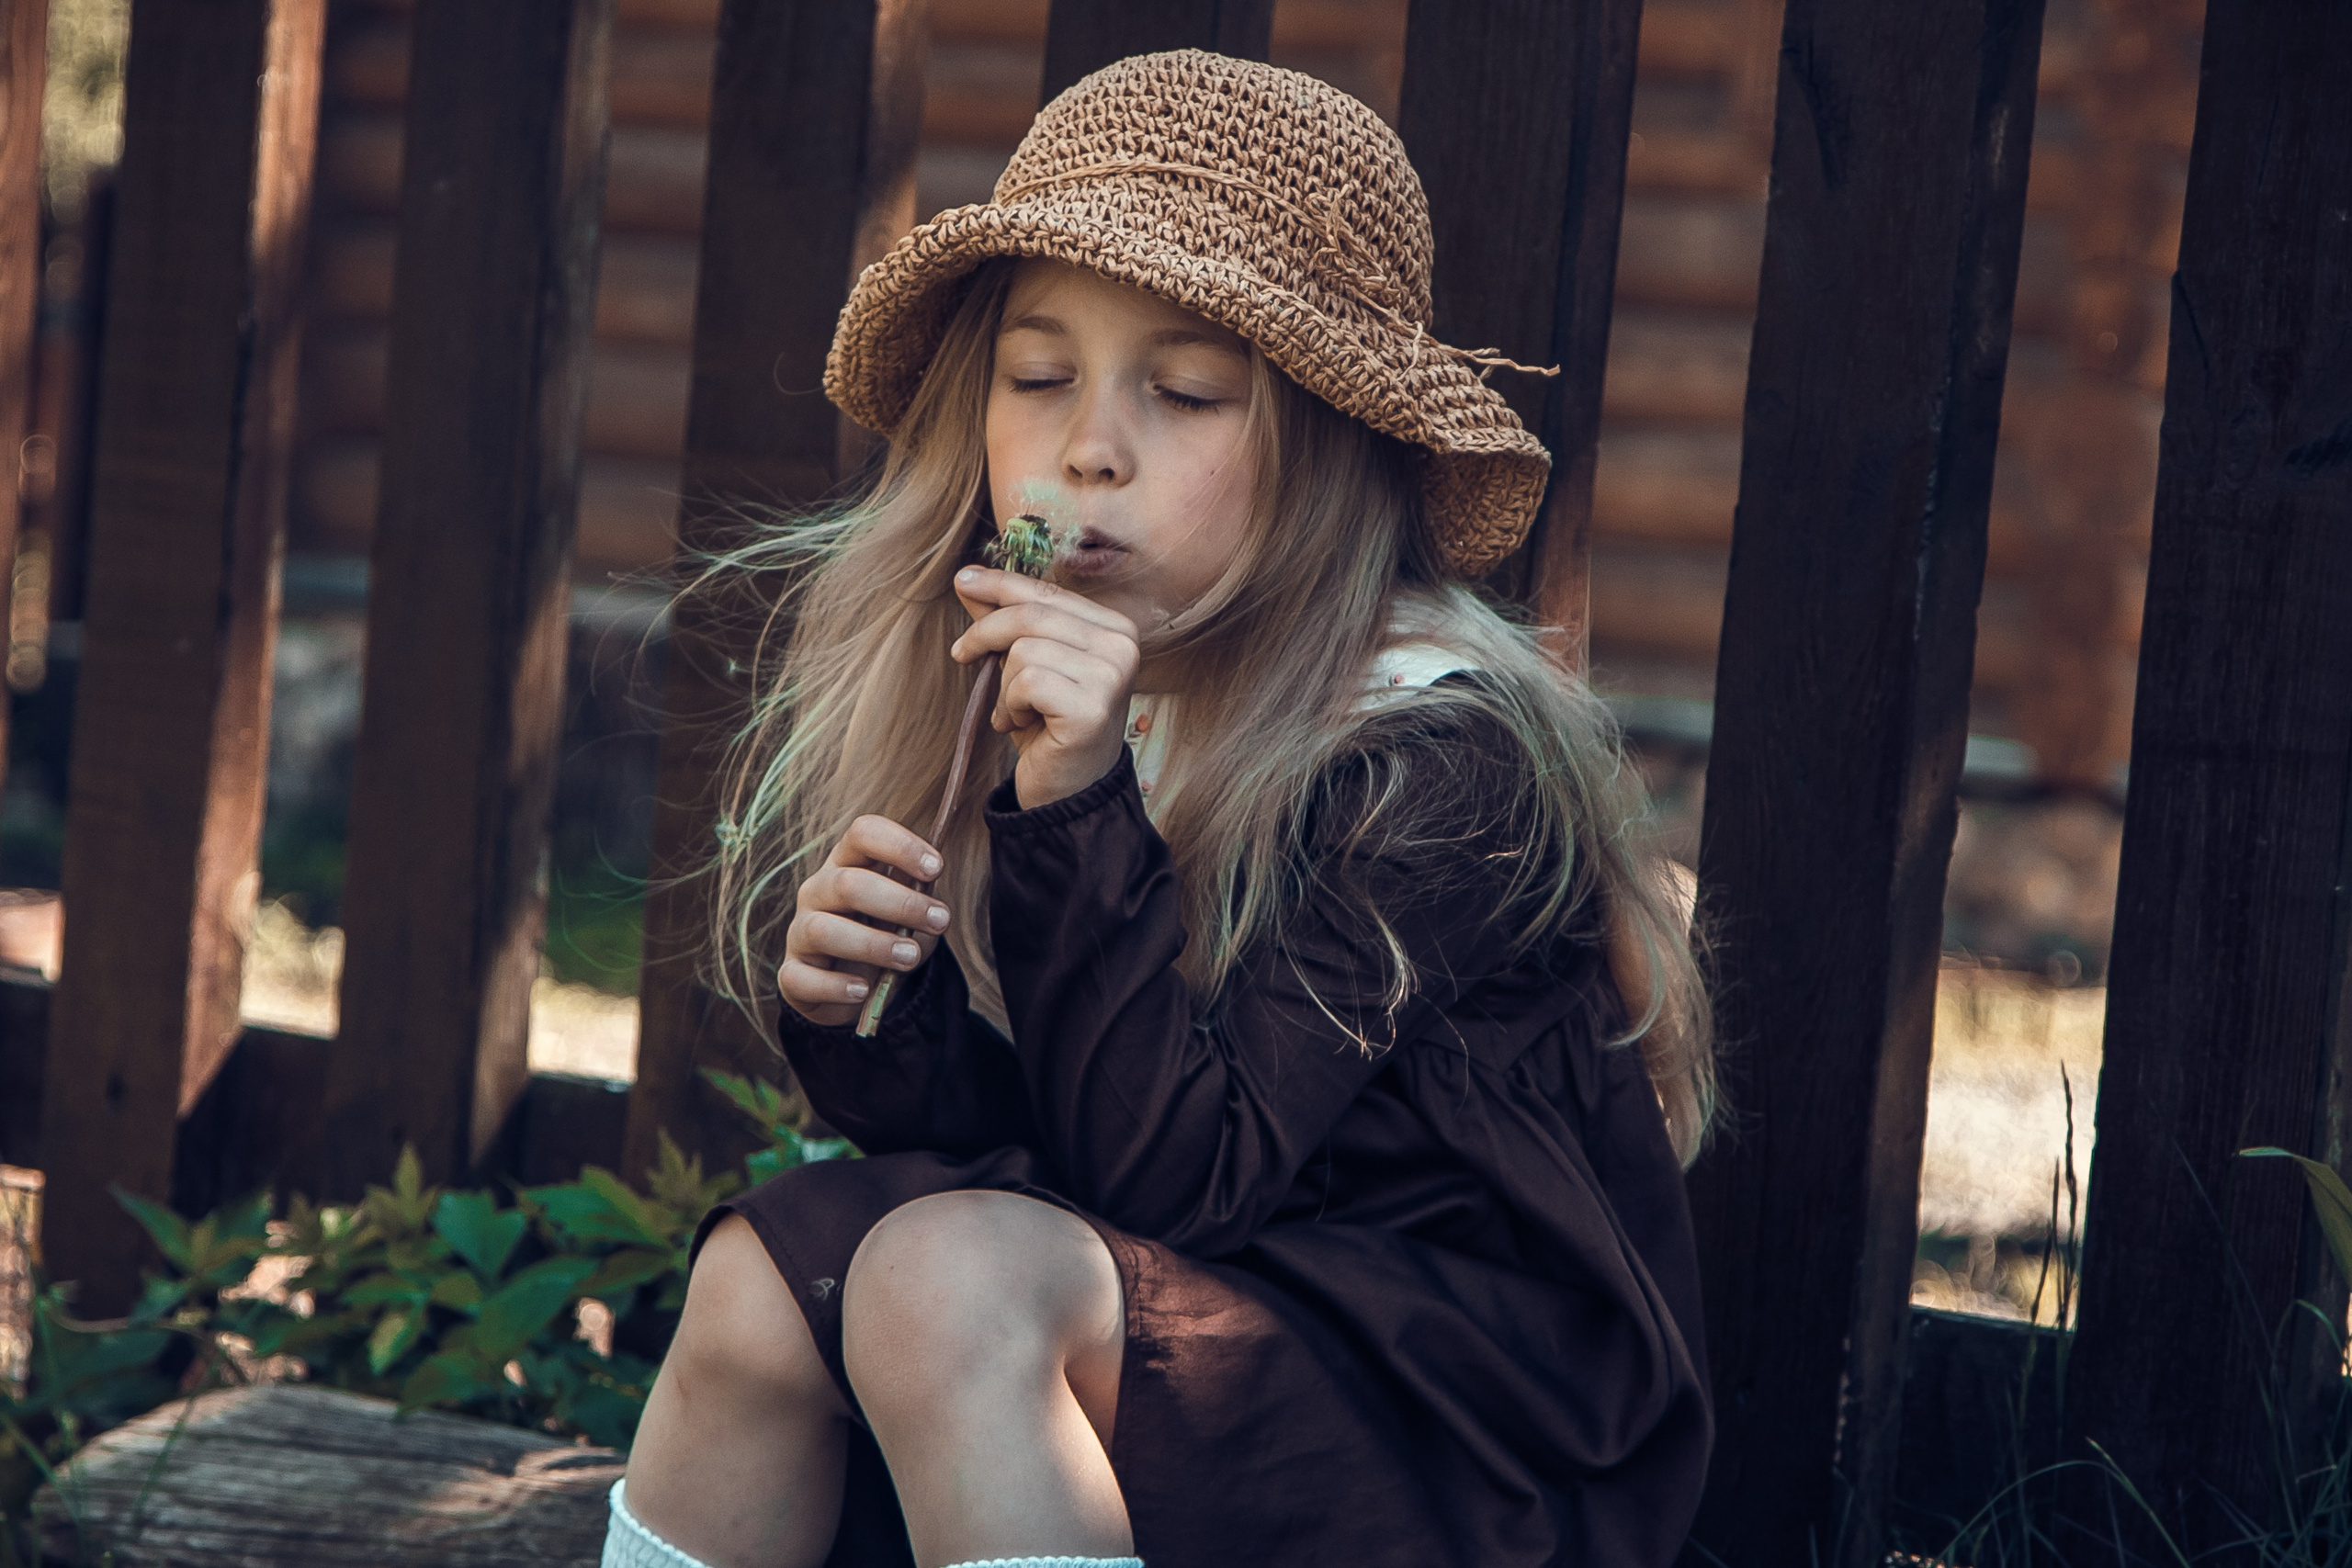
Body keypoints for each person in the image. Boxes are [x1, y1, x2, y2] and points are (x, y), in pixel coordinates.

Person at [605, 49, 1715, 1568]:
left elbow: (1175, 1181)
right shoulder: (1114, 691)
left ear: (1332, 441)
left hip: (1471, 1440)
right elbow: (1071, 1144)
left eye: (1185, 391)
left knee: (946, 1281)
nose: (1090, 447)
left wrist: (1076, 810)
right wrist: (889, 1019)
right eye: (1037, 377)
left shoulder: (1434, 751)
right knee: (762, 1277)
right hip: (1211, 1311)